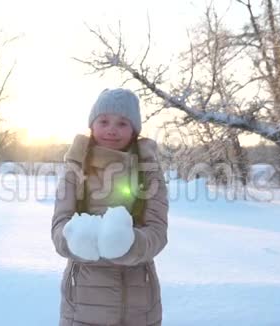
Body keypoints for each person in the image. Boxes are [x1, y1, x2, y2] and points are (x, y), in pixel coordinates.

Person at [51, 88, 169, 326]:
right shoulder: (75, 169)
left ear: (134, 129)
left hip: (139, 302)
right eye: (104, 121)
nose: (112, 129)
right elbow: (58, 228)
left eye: (122, 123)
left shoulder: (149, 171)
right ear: (92, 125)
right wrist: (78, 240)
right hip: (83, 301)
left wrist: (130, 244)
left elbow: (158, 232)